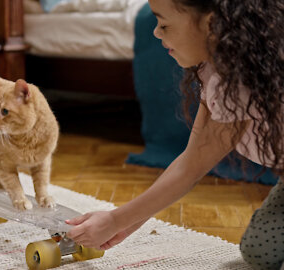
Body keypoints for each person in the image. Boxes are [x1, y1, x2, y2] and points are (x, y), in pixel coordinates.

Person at [66, 0, 284, 269]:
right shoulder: (217, 71)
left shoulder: (241, 84)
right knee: (258, 252)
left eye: (165, 24)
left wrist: (115, 221)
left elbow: (189, 170)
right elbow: (189, 163)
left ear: (211, 24)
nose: (156, 32)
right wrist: (123, 224)